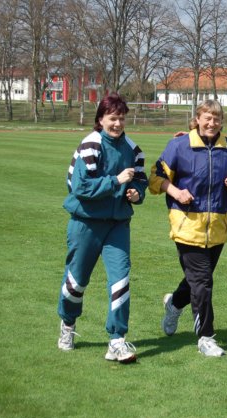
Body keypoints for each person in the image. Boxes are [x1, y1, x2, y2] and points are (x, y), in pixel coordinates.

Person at [150, 99, 227, 357]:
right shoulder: (179, 146)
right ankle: (206, 338)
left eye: (217, 118)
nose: (212, 123)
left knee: (196, 282)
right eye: (207, 118)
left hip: (218, 228)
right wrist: (176, 192)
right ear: (197, 119)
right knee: (203, 283)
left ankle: (174, 304)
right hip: (187, 226)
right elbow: (156, 177)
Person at [56, 92, 148, 364]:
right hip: (86, 223)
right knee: (76, 281)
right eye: (112, 118)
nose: (117, 124)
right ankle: (68, 324)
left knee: (120, 279)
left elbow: (140, 180)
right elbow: (80, 188)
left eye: (121, 118)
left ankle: (117, 340)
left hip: (117, 224)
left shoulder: (134, 149)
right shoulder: (90, 145)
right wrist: (116, 181)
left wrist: (136, 193)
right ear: (101, 119)